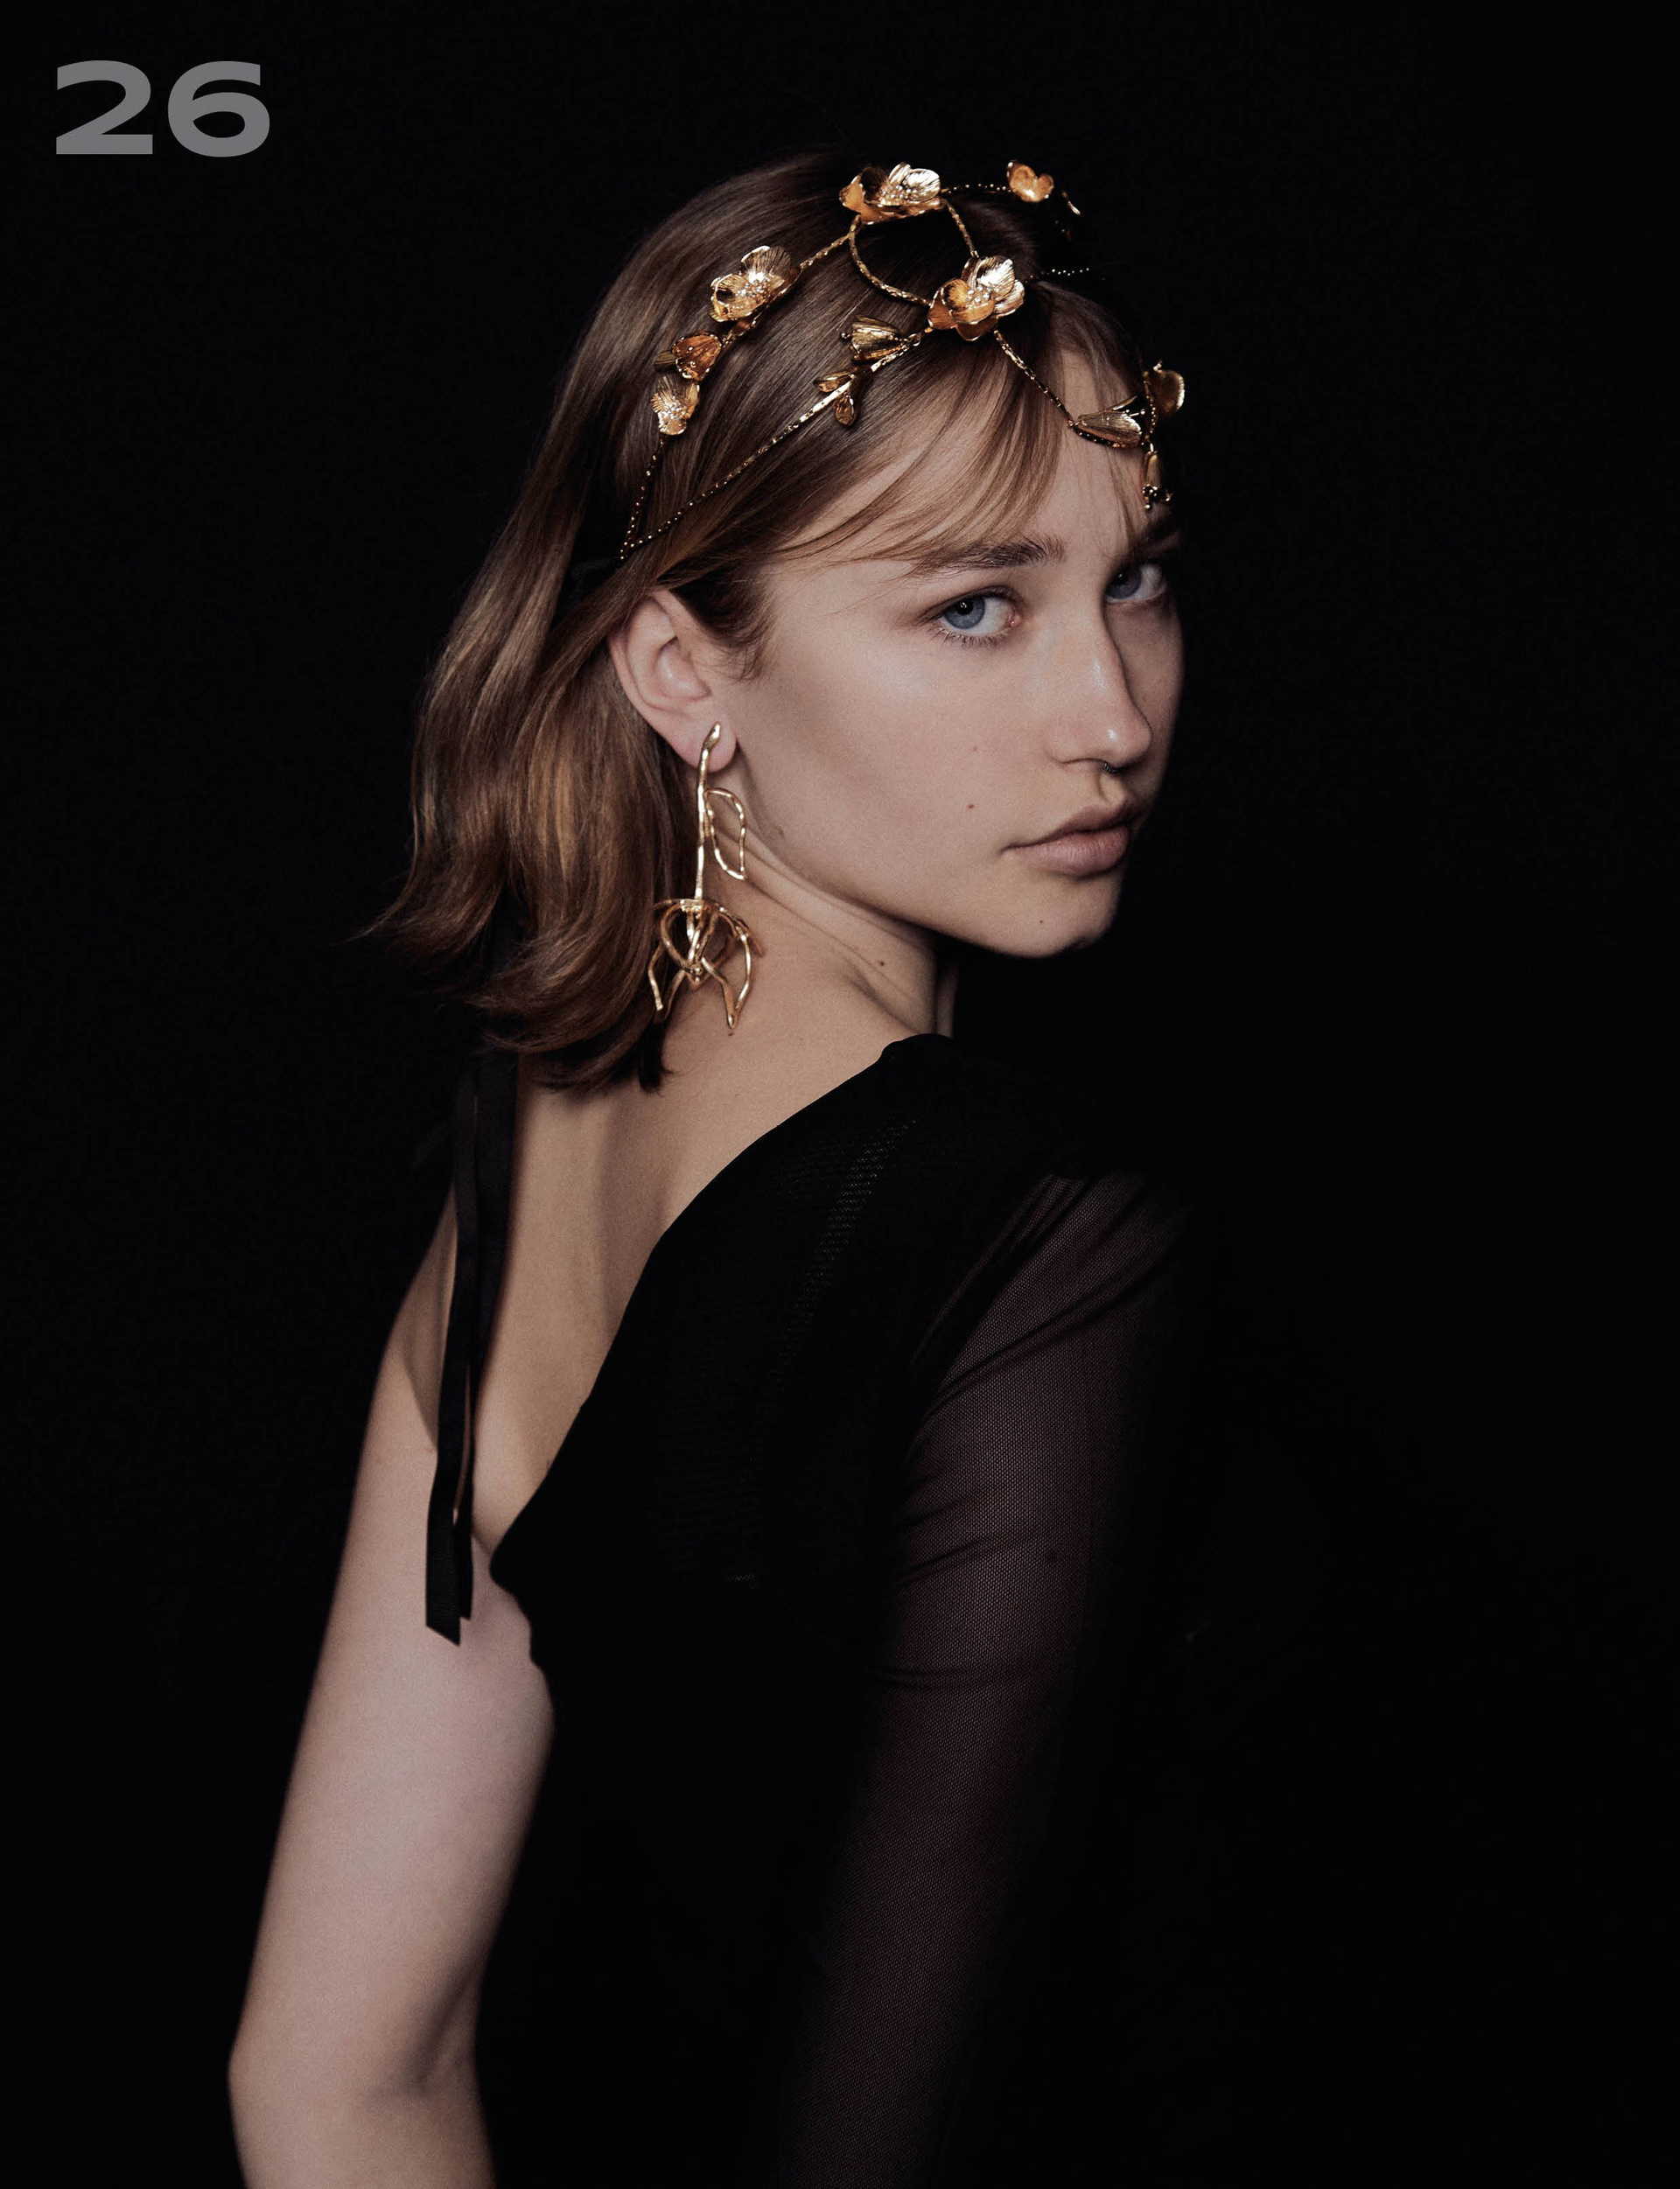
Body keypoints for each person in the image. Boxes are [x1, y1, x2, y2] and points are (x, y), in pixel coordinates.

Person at [229, 150, 1196, 2186]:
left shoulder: (524, 1147)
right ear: (681, 670)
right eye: (974, 607)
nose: (1110, 713)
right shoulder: (1022, 1229)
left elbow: (334, 2084)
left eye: (1134, 579)